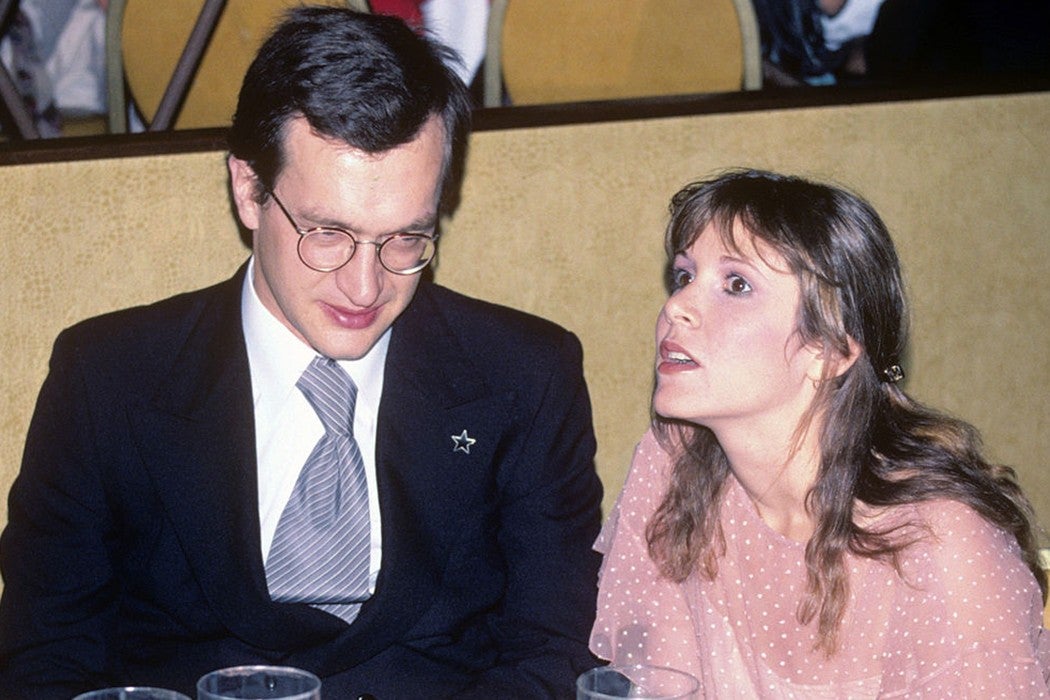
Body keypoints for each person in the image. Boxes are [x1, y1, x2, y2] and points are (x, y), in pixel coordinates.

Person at [0, 7, 603, 699]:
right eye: (326, 232)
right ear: (249, 190)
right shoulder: (108, 377)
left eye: (406, 238)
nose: (365, 284)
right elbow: (45, 659)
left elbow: (554, 651)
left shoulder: (525, 375)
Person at [589, 169, 1050, 696]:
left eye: (736, 285)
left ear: (830, 351)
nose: (676, 307)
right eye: (684, 276)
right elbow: (662, 683)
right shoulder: (673, 464)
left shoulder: (936, 540)